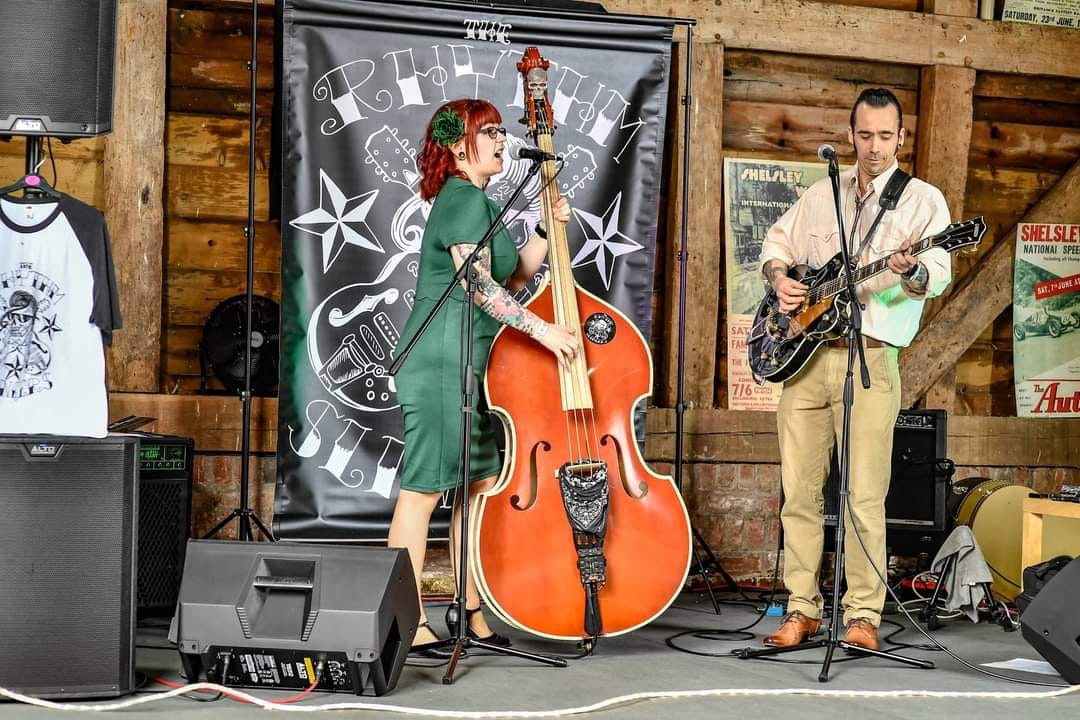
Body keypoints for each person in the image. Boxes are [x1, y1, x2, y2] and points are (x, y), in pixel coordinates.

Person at [758, 88, 952, 651]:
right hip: (804, 361)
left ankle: (863, 615)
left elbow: (935, 276)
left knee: (862, 497)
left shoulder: (923, 201)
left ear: (901, 138)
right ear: (850, 136)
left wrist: (911, 271)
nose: (874, 147)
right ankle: (801, 609)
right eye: (864, 135)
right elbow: (776, 244)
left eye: (885, 136)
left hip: (870, 359)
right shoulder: (822, 193)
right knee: (799, 493)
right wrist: (780, 279)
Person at [389, 98, 578, 656]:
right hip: (440, 361)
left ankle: (470, 610)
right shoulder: (462, 198)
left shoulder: (481, 202)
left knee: (476, 489)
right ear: (457, 146)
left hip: (471, 367)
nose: (501, 139)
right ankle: (407, 621)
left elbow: (515, 276)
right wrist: (545, 333)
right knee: (423, 492)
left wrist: (544, 227)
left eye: (500, 130)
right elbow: (477, 285)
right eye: (489, 131)